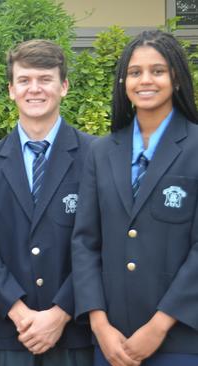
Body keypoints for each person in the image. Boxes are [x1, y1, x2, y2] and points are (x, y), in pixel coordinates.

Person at [72, 30, 198, 366]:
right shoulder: (101, 152)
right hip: (112, 341)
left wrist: (159, 326)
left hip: (181, 338)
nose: (145, 80)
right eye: (134, 72)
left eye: (157, 71)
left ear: (177, 78)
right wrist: (99, 324)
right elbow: (85, 242)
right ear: (123, 82)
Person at [0, 39, 94, 366]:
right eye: (24, 80)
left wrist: (61, 312)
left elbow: (102, 242)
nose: (34, 89)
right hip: (10, 333)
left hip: (75, 332)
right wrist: (18, 310)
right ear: (11, 89)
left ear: (63, 86)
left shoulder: (96, 155)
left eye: (45, 79)